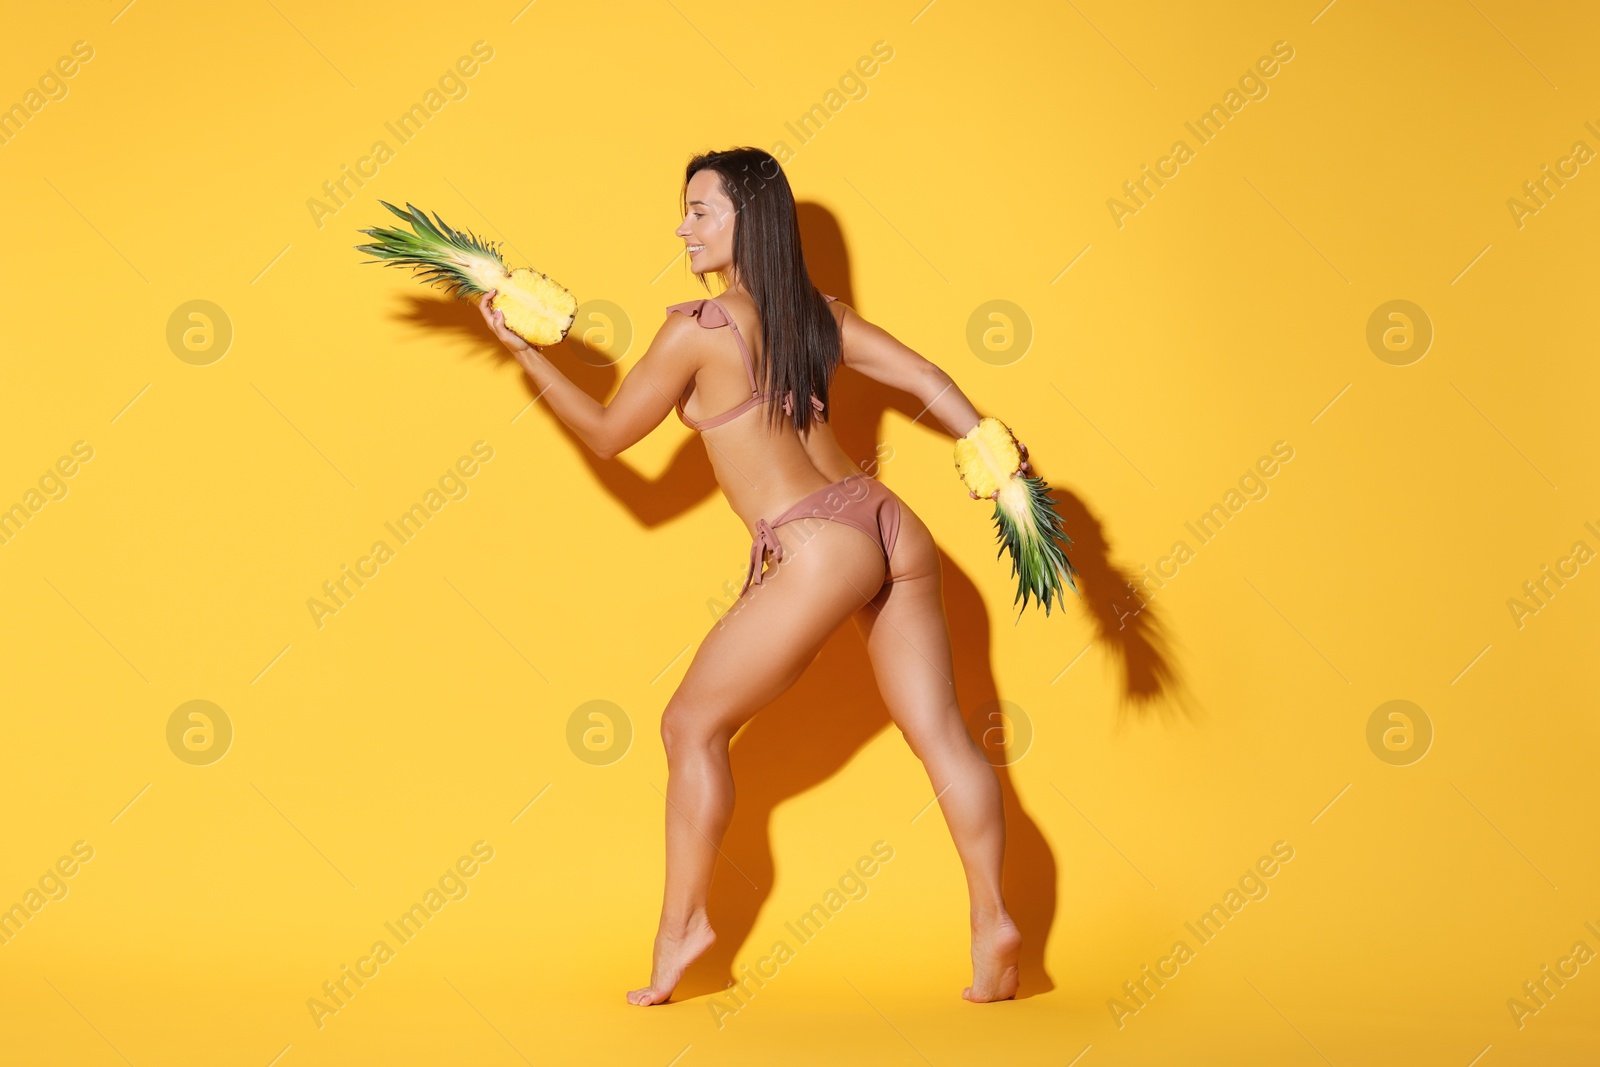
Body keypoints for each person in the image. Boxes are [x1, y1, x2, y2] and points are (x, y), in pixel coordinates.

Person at [477, 146, 1022, 1004]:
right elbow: (924, 377)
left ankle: (681, 927)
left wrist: (524, 353)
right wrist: (996, 459)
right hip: (886, 523)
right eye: (685, 211)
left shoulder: (698, 328)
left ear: (748, 220)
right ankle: (993, 919)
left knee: (687, 726)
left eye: (702, 210)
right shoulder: (818, 315)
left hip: (814, 543)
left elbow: (614, 437)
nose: (683, 227)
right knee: (943, 733)